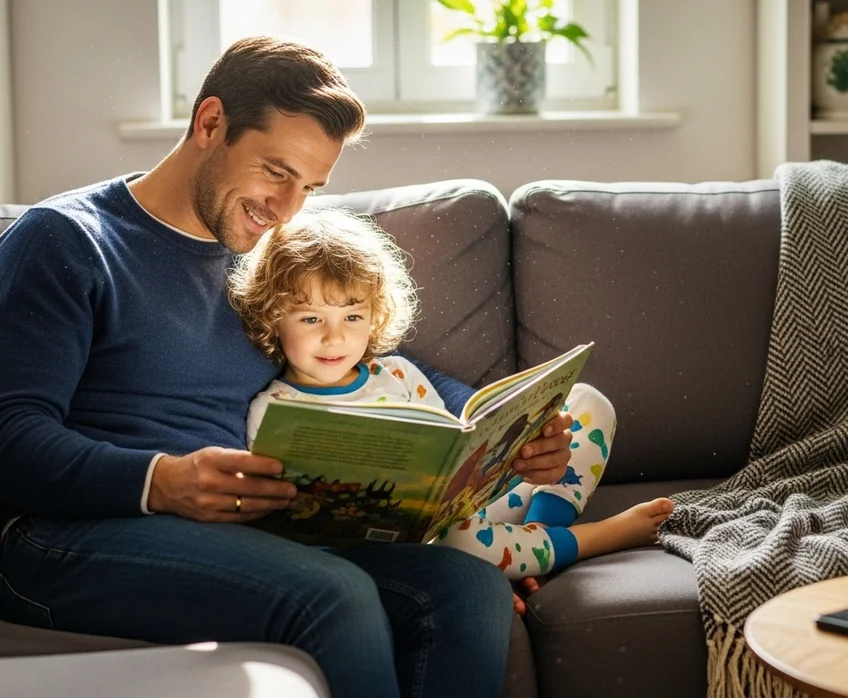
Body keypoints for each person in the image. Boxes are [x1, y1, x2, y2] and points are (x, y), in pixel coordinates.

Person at [0, 38, 576, 698]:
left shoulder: (262, 257)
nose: (287, 210)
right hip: (70, 544)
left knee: (467, 586)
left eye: (310, 187)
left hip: (245, 536)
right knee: (332, 596)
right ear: (210, 124)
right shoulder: (65, 240)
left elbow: (367, 363)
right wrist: (162, 481)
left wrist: (496, 433)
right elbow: (5, 442)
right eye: (277, 173)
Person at [230, 209, 674, 596]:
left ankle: (543, 536)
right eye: (311, 318)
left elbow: (451, 449)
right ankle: (587, 540)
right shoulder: (273, 409)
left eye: (352, 316)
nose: (335, 337)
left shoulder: (397, 374)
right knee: (463, 544)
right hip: (423, 544)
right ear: (273, 315)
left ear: (374, 315)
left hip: (474, 513)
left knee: (587, 402)